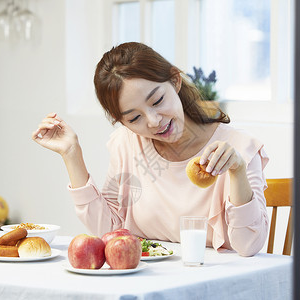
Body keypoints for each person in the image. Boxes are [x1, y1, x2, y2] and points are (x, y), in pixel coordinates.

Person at [32, 42, 269, 256]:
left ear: (175, 81)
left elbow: (248, 245)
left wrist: (237, 170)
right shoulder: (126, 144)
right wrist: (72, 154)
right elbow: (110, 230)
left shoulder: (239, 148)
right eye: (134, 118)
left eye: (157, 101)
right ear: (122, 122)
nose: (154, 121)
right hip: (147, 281)